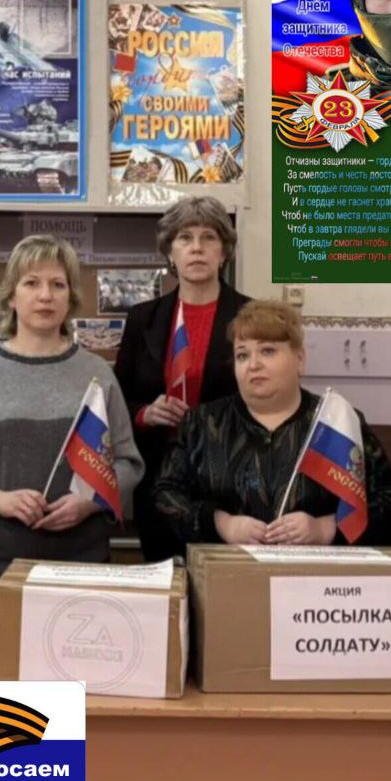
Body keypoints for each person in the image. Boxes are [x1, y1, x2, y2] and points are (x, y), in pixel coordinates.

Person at [0, 235, 144, 633]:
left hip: (83, 564)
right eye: (31, 283)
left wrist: (89, 502)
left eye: (57, 284)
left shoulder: (97, 373)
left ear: (70, 298)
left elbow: (129, 463)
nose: (45, 295)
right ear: (11, 296)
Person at [154, 300, 391, 547]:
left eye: (268, 351)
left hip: (318, 569)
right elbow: (165, 495)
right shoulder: (200, 424)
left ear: (300, 359)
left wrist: (324, 528)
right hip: (224, 566)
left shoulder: (338, 422)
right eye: (242, 355)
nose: (253, 365)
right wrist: (221, 523)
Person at [114, 196, 251, 561]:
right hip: (159, 480)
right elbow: (118, 400)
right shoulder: (142, 318)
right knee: (165, 581)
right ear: (170, 252)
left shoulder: (251, 315)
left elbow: (269, 398)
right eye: (185, 238)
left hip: (232, 480)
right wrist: (145, 414)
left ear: (224, 252)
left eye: (209, 237)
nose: (197, 248)